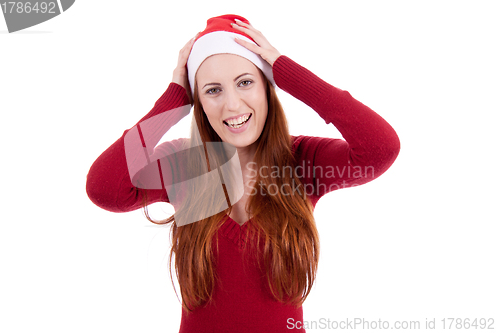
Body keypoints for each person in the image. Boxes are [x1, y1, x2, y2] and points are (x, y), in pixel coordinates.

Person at [86, 14, 400, 333]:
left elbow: (380, 148)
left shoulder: (303, 160)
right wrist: (172, 102)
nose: (232, 104)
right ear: (199, 102)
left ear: (267, 86)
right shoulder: (184, 163)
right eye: (212, 90)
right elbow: (105, 188)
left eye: (245, 82)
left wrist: (289, 74)